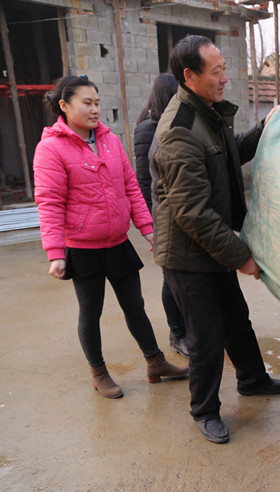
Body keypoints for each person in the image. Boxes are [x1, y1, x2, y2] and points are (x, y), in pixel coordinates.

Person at [150, 35, 280, 444]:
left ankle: (252, 379)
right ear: (190, 76)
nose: (225, 78)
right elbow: (192, 213)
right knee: (206, 336)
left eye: (225, 69)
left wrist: (264, 129)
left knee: (236, 318)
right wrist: (241, 255)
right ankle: (205, 410)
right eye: (217, 71)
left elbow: (229, 156)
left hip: (211, 244)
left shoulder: (207, 114)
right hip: (187, 253)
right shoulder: (179, 131)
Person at [33, 75, 188, 399]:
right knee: (91, 312)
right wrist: (56, 252)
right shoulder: (50, 148)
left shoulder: (109, 140)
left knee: (135, 306)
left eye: (97, 103)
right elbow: (49, 202)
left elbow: (131, 187)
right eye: (87, 103)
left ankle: (155, 362)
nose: (95, 110)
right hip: (82, 247)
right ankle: (99, 373)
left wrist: (148, 229)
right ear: (64, 106)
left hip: (117, 242)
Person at [134, 73, 188, 358]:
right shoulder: (148, 130)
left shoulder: (174, 124)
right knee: (171, 278)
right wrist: (152, 225)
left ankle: (187, 329)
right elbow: (145, 181)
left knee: (184, 277)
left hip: (178, 214)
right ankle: (177, 333)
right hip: (162, 217)